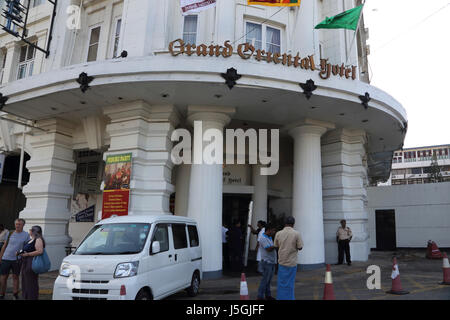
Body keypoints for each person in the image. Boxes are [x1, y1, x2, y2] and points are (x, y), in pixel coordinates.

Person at [274, 216, 303, 300]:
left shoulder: (278, 233)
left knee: (281, 283)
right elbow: (300, 247)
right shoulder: (296, 233)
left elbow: (276, 246)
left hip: (282, 262)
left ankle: (280, 298)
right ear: (293, 224)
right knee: (290, 284)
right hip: (292, 262)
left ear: (284, 223)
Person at [0, 218, 30, 300]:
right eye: (16, 224)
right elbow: (4, 246)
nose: (17, 226)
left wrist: (22, 253)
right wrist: (0, 257)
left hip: (17, 259)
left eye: (19, 224)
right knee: (3, 277)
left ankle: (15, 294)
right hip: (6, 258)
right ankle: (2, 294)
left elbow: (27, 247)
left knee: (15, 277)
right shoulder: (10, 233)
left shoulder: (26, 235)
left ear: (23, 225)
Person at [19, 226, 45, 300]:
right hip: (25, 262)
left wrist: (28, 254)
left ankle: (32, 297)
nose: (29, 231)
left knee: (31, 282)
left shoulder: (38, 239)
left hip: (31, 262)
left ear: (34, 231)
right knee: (25, 282)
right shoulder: (31, 240)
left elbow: (40, 251)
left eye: (30, 229)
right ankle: (26, 297)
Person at [257, 224, 277, 300]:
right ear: (269, 230)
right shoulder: (263, 238)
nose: (274, 232)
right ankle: (260, 296)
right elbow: (268, 249)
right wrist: (276, 245)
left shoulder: (269, 237)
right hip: (266, 262)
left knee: (268, 281)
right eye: (273, 230)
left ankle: (268, 295)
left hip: (271, 262)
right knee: (264, 280)